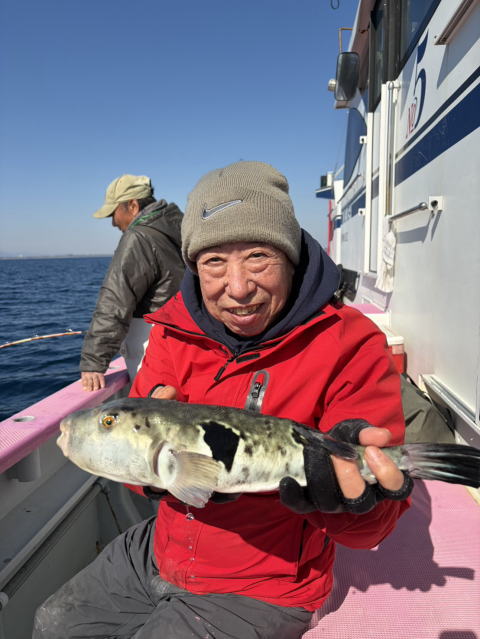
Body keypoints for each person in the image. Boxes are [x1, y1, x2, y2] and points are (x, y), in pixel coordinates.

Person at [34, 161, 412, 638]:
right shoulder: (173, 330)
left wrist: (354, 502)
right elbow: (143, 469)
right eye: (214, 261)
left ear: (291, 255)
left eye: (258, 256)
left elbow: (372, 528)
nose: (238, 287)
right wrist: (156, 478)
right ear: (194, 266)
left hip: (265, 582)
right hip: (162, 548)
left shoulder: (349, 344)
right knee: (53, 624)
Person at [79, 174, 185, 390]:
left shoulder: (138, 237)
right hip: (185, 345)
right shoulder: (179, 229)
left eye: (113, 213)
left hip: (154, 352)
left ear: (133, 206)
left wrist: (94, 361)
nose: (113, 222)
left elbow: (115, 301)